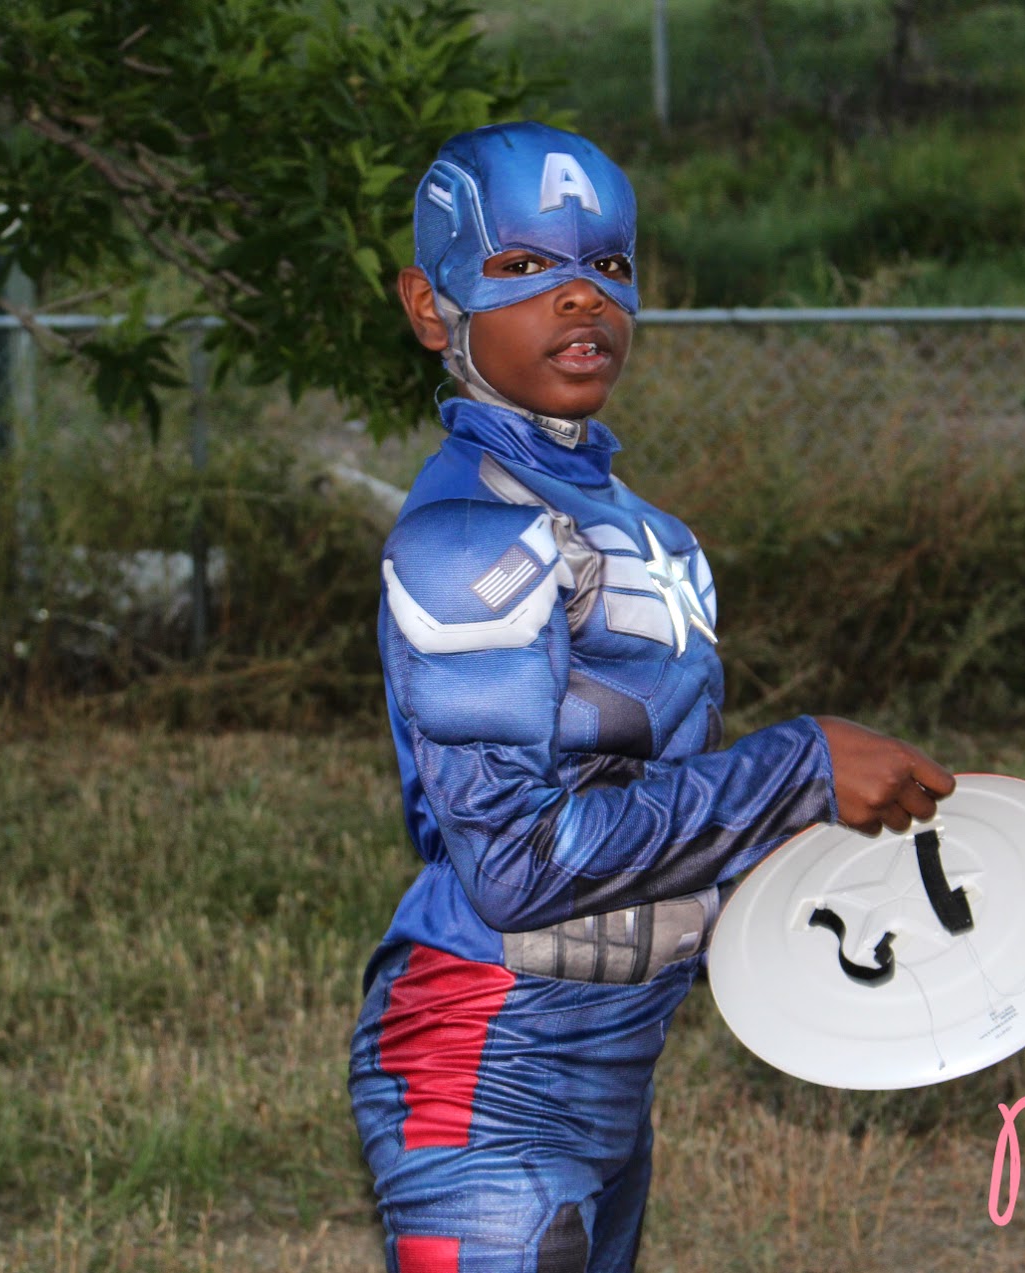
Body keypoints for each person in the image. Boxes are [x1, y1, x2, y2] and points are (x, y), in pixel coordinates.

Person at [349, 120, 954, 1273]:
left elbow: (654, 811)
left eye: (609, 265)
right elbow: (516, 861)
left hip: (615, 1051)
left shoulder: (652, 536)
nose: (581, 296)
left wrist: (813, 872)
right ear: (432, 308)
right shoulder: (466, 532)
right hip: (487, 1055)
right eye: (523, 266)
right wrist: (798, 767)